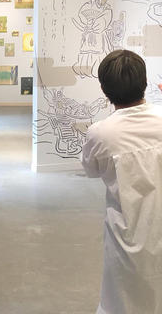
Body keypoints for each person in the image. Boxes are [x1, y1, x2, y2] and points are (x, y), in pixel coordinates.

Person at [82, 49, 162, 314]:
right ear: (145, 82)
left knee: (122, 299)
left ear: (104, 90)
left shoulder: (101, 133)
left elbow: (91, 170)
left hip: (125, 232)